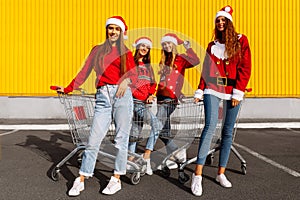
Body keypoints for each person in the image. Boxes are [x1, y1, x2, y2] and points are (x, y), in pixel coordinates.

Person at [56, 16, 137, 196]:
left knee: (120, 140)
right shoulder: (97, 50)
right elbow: (84, 72)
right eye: (110, 28)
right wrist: (69, 88)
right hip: (103, 97)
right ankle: (82, 178)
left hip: (122, 96)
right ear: (106, 30)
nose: (113, 31)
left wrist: (127, 80)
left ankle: (116, 178)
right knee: (93, 140)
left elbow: (135, 74)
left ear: (122, 32)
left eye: (117, 29)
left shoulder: (127, 53)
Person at [191, 5, 252, 196]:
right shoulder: (212, 45)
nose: (220, 23)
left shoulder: (241, 41)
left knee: (227, 131)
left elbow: (245, 67)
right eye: (218, 20)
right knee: (209, 126)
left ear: (229, 22)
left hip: (232, 89)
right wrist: (200, 89)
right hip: (212, 88)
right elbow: (206, 69)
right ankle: (198, 174)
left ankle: (221, 173)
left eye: (223, 20)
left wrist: (238, 92)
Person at [155, 33, 200, 168]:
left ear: (174, 44)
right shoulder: (164, 60)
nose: (167, 46)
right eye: (164, 44)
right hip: (161, 97)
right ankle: (173, 156)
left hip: (170, 99)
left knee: (157, 126)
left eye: (169, 43)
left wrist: (188, 48)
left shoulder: (181, 59)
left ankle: (176, 151)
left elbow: (195, 60)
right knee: (165, 130)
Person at [127, 36, 161, 175]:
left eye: (147, 48)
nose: (144, 49)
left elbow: (153, 84)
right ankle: (146, 157)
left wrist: (151, 94)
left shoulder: (148, 68)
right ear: (137, 47)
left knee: (136, 130)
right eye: (142, 46)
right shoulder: (131, 64)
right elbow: (128, 82)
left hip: (145, 102)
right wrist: (138, 96)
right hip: (135, 102)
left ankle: (129, 160)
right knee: (157, 124)